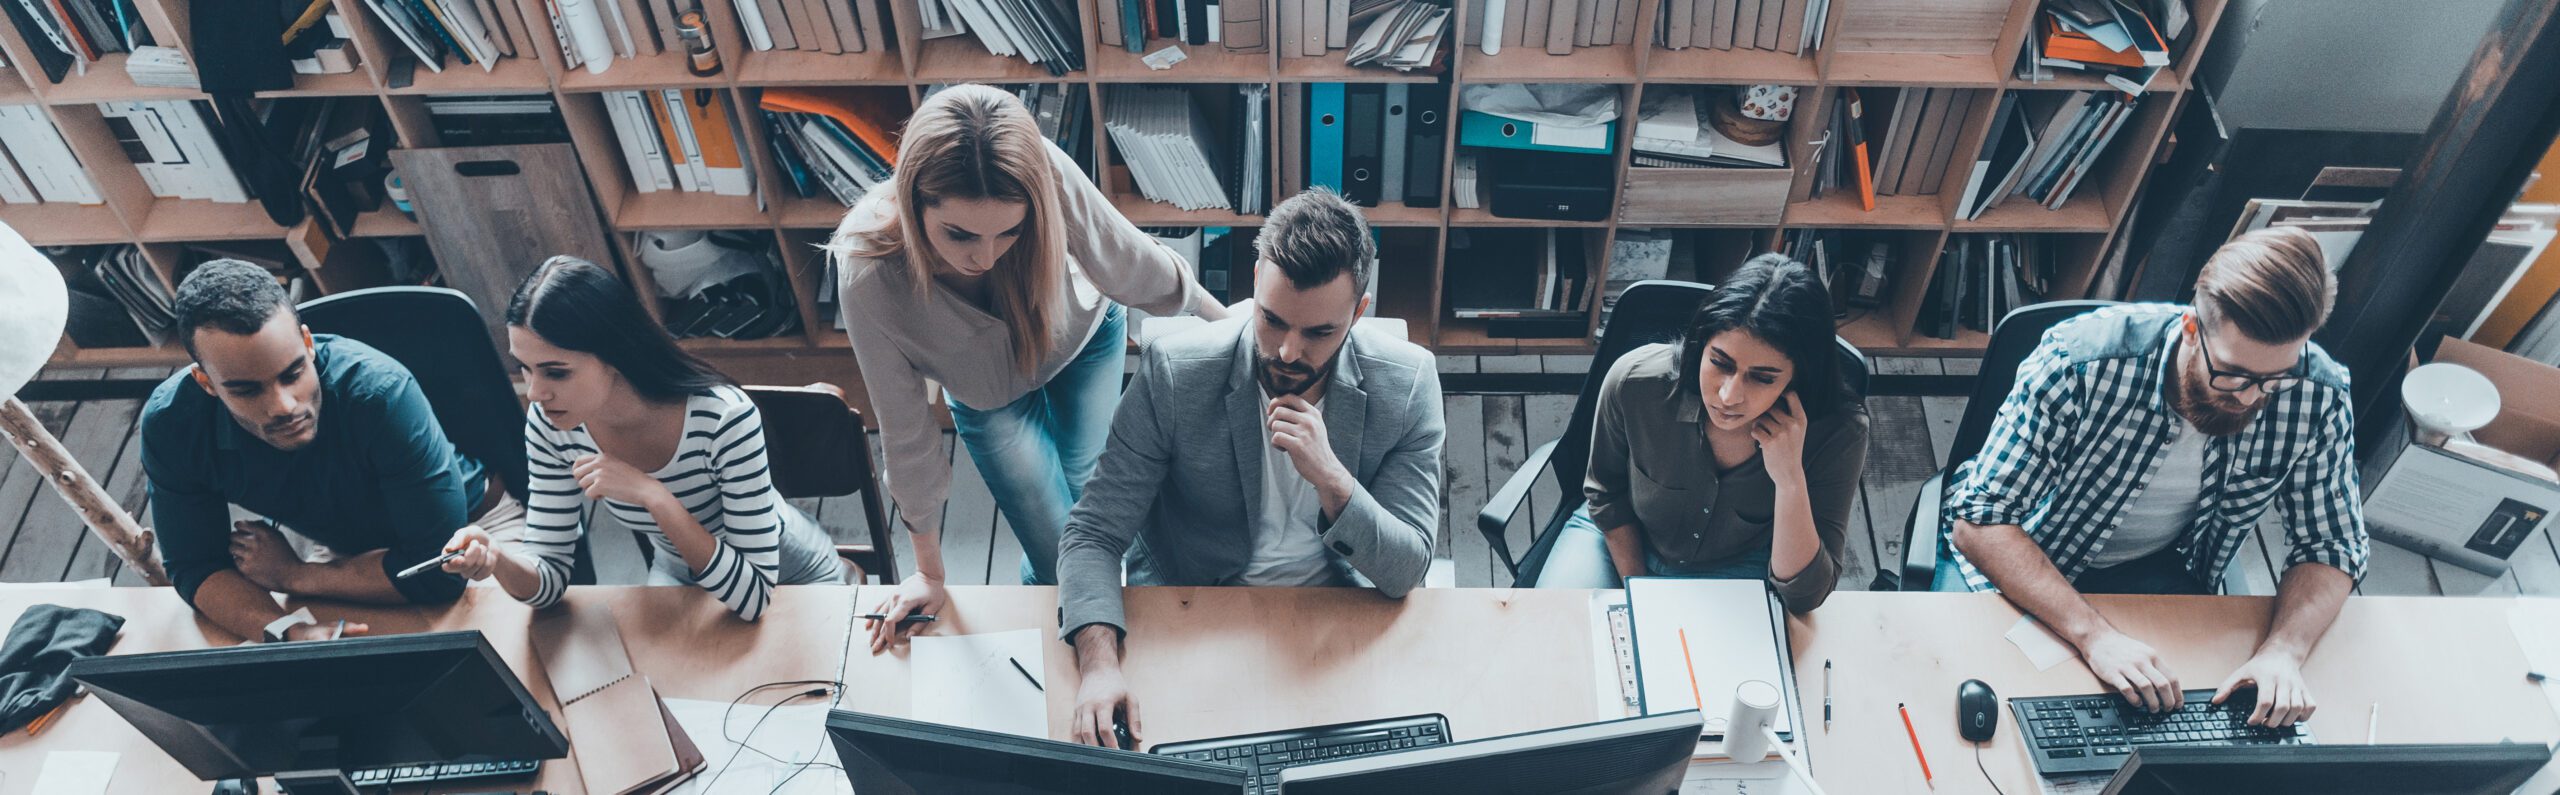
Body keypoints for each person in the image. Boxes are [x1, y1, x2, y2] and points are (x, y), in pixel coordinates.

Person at [828, 84, 1235, 650]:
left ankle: (1080, 626)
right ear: (911, 197)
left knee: (1092, 502)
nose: (985, 256)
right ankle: (1065, 638)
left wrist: (1230, 329)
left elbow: (1131, 261)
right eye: (960, 234)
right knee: (1054, 553)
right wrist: (929, 573)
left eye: (1009, 232)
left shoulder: (1044, 168)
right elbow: (905, 432)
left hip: (1083, 345)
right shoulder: (868, 271)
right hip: (986, 397)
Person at [1057, 188, 1443, 749]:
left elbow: (1408, 566)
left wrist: (1333, 480)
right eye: (1273, 320)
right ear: (1256, 276)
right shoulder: (1175, 373)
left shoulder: (1407, 386)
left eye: (1319, 332)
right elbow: (1093, 533)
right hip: (1197, 610)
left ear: (1358, 313)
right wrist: (1098, 665)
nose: (1288, 352)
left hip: (1338, 615)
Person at [1940, 226, 2365, 729]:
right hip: (2029, 556)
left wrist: (2284, 652)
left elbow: (2331, 545)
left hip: (2158, 575)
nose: (2252, 398)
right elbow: (1980, 521)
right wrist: (2094, 636)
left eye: (2274, 379)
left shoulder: (2319, 394)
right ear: (2191, 329)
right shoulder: (2078, 362)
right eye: (2232, 374)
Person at [141, 260, 528, 642]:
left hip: (474, 537)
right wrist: (288, 632)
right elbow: (195, 566)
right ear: (206, 382)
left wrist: (294, 576)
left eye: (292, 374)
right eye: (247, 390)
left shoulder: (380, 394)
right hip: (346, 558)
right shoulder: (173, 425)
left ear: (308, 344)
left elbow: (439, 574)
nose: (284, 406)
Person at [440, 257, 842, 621]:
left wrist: (655, 497)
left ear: (613, 357)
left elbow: (754, 596)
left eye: (556, 372)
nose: (535, 392)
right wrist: (497, 557)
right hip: (681, 575)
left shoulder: (723, 418)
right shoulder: (551, 425)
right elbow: (549, 580)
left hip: (790, 576)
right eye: (524, 368)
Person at [1534, 255, 1868, 613]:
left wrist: (1789, 480)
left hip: (1739, 563)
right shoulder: (1635, 382)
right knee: (1554, 638)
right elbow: (1607, 495)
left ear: (1797, 378)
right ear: (1700, 345)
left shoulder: (1840, 432)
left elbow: (1805, 596)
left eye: (1762, 378)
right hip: (1621, 537)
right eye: (1720, 364)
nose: (1728, 396)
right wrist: (1641, 591)